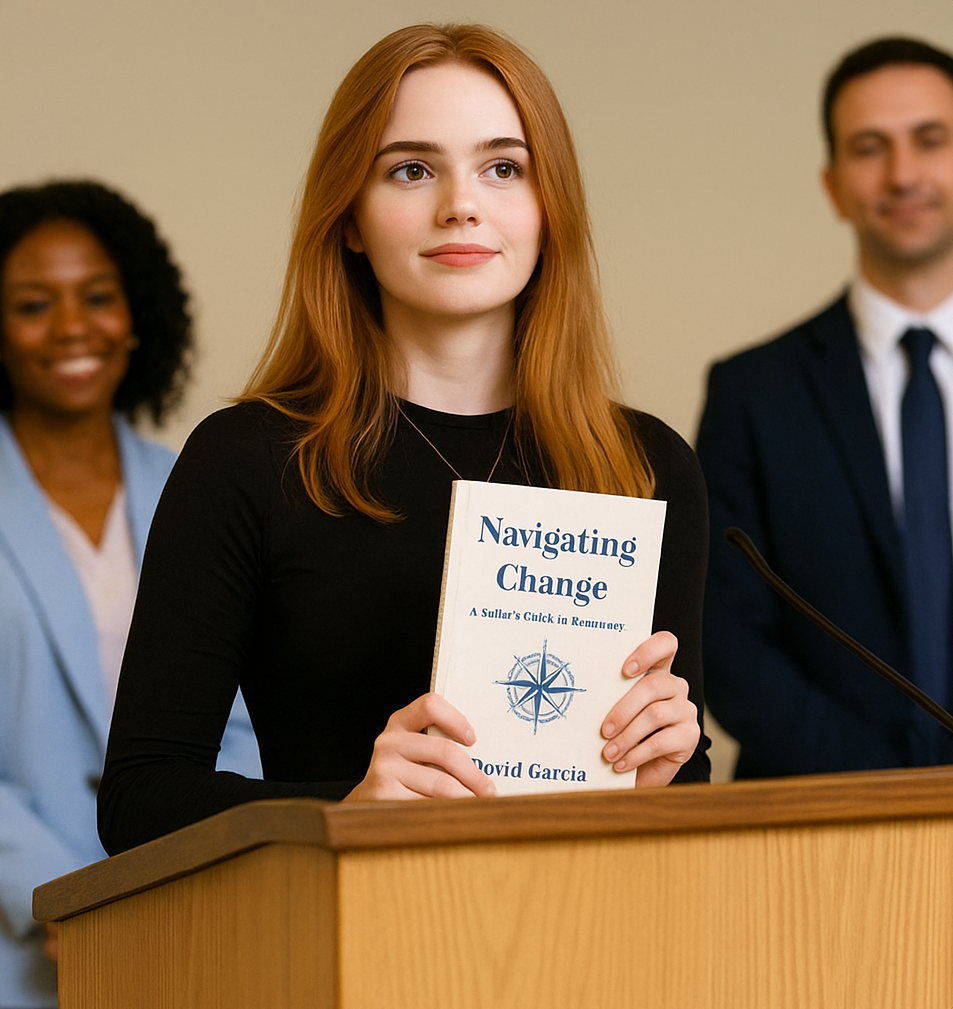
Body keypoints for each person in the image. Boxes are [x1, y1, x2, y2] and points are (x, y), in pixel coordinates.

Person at [98, 23, 711, 856]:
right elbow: (139, 799)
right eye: (411, 169)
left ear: (548, 207)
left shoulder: (644, 466)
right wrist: (348, 808)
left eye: (503, 167)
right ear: (349, 215)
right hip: (339, 958)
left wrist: (661, 773)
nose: (460, 203)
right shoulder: (244, 461)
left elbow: (683, 798)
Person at [0, 179, 261, 1009]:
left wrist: (205, 866)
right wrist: (68, 900)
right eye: (35, 303)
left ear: (139, 312)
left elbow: (251, 717)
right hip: (24, 944)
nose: (73, 327)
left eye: (99, 297)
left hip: (206, 919)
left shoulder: (199, 483)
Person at [697, 36, 953, 778]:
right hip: (819, 820)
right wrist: (874, 785)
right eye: (869, 148)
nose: (901, 173)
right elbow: (725, 631)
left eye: (929, 140)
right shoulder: (751, 391)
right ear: (832, 184)